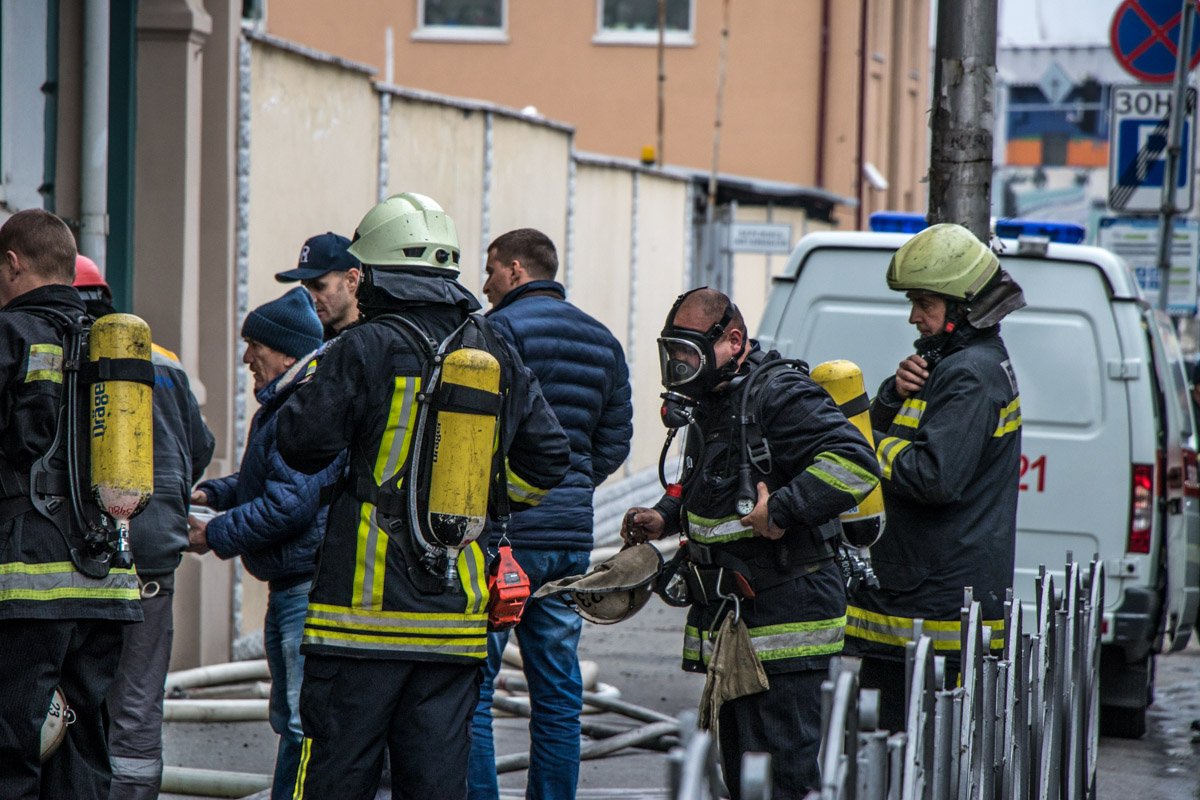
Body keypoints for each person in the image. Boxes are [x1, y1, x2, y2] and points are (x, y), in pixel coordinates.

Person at [275, 193, 570, 800]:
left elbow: (300, 445)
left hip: (360, 619)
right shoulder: (493, 346)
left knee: (335, 778)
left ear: (374, 273)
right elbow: (548, 458)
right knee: (435, 785)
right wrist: (482, 505)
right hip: (453, 620)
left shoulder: (363, 346)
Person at [620, 287, 880, 799]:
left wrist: (782, 510)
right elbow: (713, 482)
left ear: (733, 341)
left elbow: (855, 464)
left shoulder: (779, 394)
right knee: (743, 779)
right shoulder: (718, 400)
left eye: (690, 353)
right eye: (674, 353)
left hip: (786, 625)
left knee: (780, 781)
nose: (680, 366)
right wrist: (664, 516)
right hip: (739, 623)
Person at [469, 228, 633, 800]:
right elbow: (614, 442)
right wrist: (571, 485)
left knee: (474, 689)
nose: (484, 284)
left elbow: (475, 432)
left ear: (516, 269)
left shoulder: (495, 333)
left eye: (490, 269)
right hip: (568, 541)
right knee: (559, 691)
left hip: (503, 539)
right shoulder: (603, 340)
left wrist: (512, 494)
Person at [844, 222, 1024, 732]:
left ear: (961, 306)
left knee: (906, 754)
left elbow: (933, 477)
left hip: (932, 613)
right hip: (919, 600)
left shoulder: (970, 372)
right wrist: (890, 396)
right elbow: (909, 438)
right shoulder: (950, 364)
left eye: (924, 303)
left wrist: (861, 445)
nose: (913, 317)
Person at [0, 209, 142, 799]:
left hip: (28, 582)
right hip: (109, 580)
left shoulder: (10, 334)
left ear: (12, 263)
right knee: (81, 746)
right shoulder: (111, 344)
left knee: (12, 748)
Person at [187, 287, 339, 800]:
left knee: (300, 720)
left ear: (288, 354)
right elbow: (272, 481)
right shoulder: (285, 402)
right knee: (289, 715)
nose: (246, 358)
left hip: (305, 589)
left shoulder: (305, 406)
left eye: (255, 345)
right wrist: (213, 493)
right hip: (291, 586)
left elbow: (287, 505)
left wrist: (215, 533)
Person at [73, 256, 216, 800]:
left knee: (72, 701)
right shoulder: (165, 362)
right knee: (136, 703)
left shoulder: (58, 352)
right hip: (152, 559)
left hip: (79, 558)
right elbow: (199, 447)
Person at [275, 231, 361, 339]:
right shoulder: (306, 340)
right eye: (306, 288)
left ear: (351, 280)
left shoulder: (376, 341)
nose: (311, 298)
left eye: (319, 286)